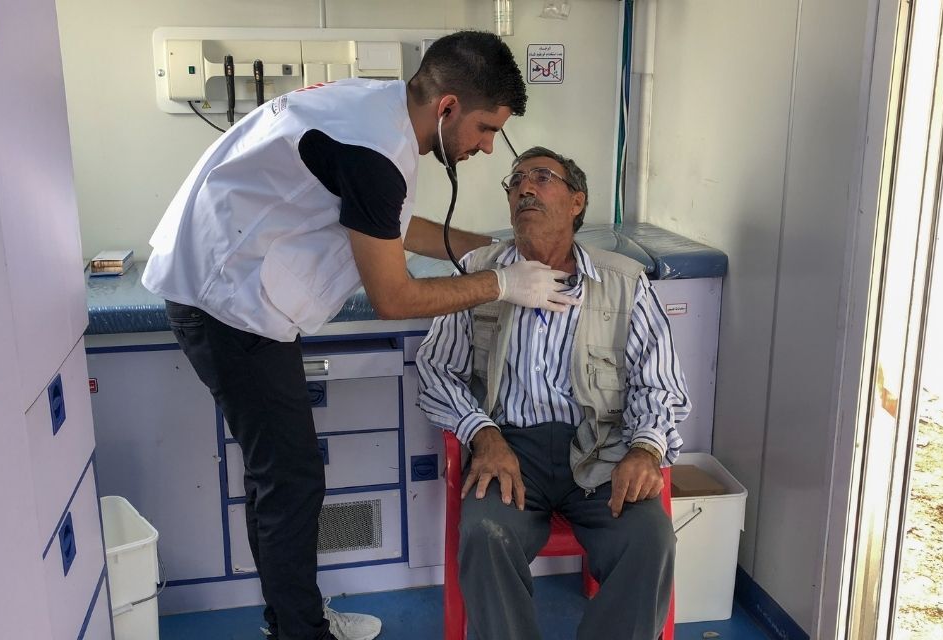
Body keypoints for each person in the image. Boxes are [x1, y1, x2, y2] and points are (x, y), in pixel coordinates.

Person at [142, 31, 581, 640]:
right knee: (291, 480)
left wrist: (488, 251)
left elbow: (395, 227)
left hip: (235, 286)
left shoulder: (382, 110)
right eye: (484, 130)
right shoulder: (377, 151)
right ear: (447, 107)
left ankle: (294, 618)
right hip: (226, 303)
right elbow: (394, 296)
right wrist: (501, 285)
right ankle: (299, 630)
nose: (485, 148)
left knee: (280, 477)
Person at [416, 147, 691, 640]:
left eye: (542, 178)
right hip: (510, 448)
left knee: (649, 541)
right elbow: (436, 369)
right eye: (515, 180)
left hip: (603, 447)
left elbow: (660, 383)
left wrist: (646, 447)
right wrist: (482, 433)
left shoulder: (623, 282)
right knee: (485, 534)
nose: (524, 187)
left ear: (576, 202)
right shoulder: (481, 272)